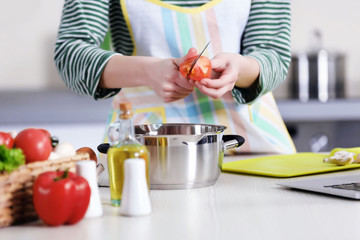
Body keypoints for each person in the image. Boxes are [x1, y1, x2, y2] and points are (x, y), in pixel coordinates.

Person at [54, 0, 296, 154]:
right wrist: (148, 72)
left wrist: (239, 69)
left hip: (248, 147)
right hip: (144, 149)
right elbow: (71, 54)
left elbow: (273, 53)